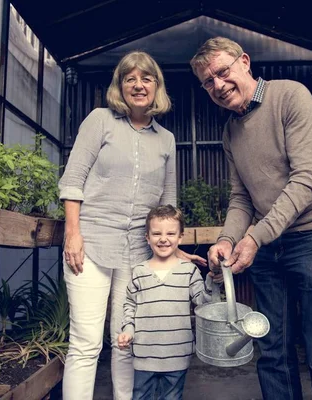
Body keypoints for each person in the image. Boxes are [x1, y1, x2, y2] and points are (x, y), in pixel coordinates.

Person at [189, 37, 312, 400]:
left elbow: (307, 178)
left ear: (244, 62)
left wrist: (254, 238)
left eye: (222, 72)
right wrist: (227, 240)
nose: (218, 85)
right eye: (208, 81)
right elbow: (240, 198)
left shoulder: (291, 97)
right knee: (272, 350)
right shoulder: (230, 131)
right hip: (267, 244)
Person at [59, 51, 206, 400]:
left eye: (147, 78)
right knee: (86, 343)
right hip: (91, 244)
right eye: (130, 79)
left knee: (126, 342)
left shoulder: (166, 139)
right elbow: (73, 180)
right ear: (120, 85)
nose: (139, 85)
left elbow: (168, 203)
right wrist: (73, 234)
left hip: (138, 254)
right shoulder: (99, 121)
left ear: (157, 86)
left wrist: (173, 250)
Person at [117, 205, 215, 400]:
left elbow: (203, 303)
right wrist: (128, 329)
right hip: (145, 354)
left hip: (177, 355)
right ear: (147, 237)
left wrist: (213, 280)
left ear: (180, 237)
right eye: (156, 233)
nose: (163, 239)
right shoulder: (139, 272)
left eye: (171, 233)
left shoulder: (189, 271)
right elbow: (130, 305)